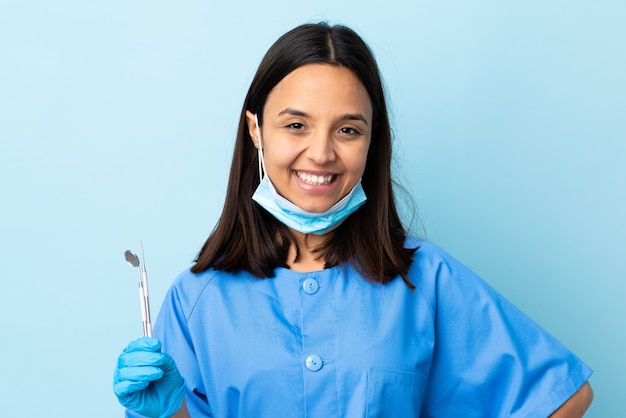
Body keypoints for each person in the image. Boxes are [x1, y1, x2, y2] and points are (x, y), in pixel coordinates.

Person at [113, 22, 593, 418]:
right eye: (296, 125)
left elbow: (563, 397)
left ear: (371, 139)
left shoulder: (425, 281)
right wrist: (167, 412)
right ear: (257, 129)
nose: (320, 153)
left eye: (347, 129)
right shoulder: (197, 300)